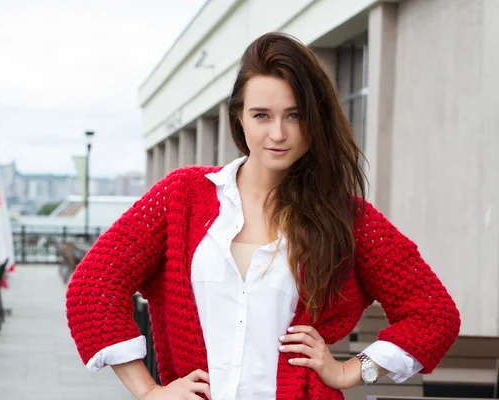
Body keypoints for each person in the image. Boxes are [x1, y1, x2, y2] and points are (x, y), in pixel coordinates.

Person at [65, 32, 461, 400]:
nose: (278, 134)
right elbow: (92, 286)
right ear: (239, 116)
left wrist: (351, 372)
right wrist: (149, 391)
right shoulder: (182, 196)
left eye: (294, 115)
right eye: (262, 115)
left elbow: (434, 316)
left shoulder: (346, 219)